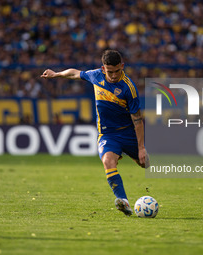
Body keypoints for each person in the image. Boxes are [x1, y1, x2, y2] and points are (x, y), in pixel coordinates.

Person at [41, 50, 149, 216]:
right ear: (103, 68)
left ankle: (143, 154)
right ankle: (124, 201)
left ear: (122, 66)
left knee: (145, 164)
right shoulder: (95, 76)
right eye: (109, 72)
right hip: (107, 135)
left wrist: (141, 148)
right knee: (107, 161)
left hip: (128, 133)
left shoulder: (128, 88)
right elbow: (74, 73)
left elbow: (137, 120)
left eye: (117, 71)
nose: (113, 76)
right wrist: (56, 74)